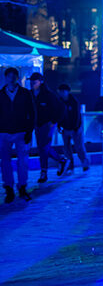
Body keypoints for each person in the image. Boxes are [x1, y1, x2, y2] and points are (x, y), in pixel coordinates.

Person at [0, 67, 35, 202]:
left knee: (23, 161)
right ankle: (9, 188)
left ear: (17, 77)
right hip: (3, 132)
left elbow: (32, 113)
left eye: (14, 75)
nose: (12, 78)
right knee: (5, 162)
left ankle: (22, 187)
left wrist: (29, 130)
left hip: (21, 131)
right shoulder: (1, 94)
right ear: (6, 77)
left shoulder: (25, 93)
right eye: (9, 75)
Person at [29, 72, 67, 183]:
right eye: (31, 82)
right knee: (42, 147)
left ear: (40, 82)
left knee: (43, 147)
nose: (32, 84)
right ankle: (61, 160)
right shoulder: (31, 94)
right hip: (38, 124)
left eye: (34, 82)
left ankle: (44, 172)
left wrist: (53, 121)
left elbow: (61, 107)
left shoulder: (48, 95)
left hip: (47, 124)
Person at [57, 84, 90, 173]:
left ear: (68, 92)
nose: (62, 93)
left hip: (76, 129)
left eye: (64, 91)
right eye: (60, 92)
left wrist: (75, 128)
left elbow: (77, 116)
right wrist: (59, 125)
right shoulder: (60, 101)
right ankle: (70, 165)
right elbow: (59, 115)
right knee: (67, 148)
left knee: (79, 146)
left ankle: (84, 163)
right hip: (66, 128)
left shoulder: (74, 102)